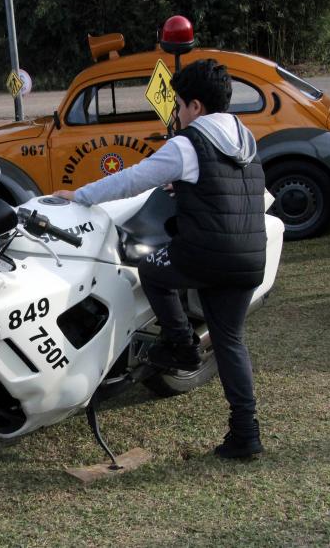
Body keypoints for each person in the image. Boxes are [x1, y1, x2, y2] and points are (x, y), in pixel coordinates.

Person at [53, 59, 267, 459]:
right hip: (250, 256)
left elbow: (132, 178)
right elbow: (225, 191)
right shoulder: (246, 140)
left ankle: (182, 346)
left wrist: (79, 195)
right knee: (231, 341)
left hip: (207, 253)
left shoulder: (189, 143)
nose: (179, 114)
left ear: (196, 107)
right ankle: (246, 433)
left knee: (152, 269)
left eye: (181, 106)